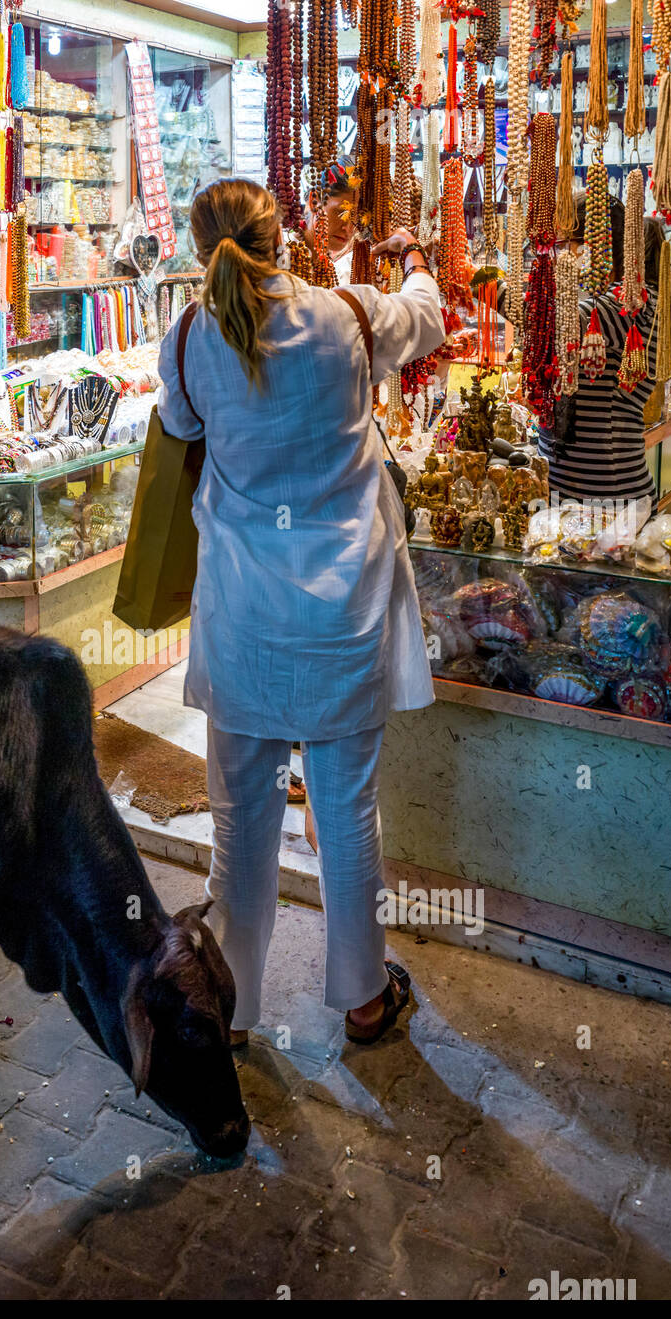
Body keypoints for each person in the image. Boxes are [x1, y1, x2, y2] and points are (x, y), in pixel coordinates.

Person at [157, 178, 445, 1046]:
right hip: (340, 610)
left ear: (199, 248)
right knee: (346, 806)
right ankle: (363, 998)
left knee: (241, 818)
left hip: (243, 614)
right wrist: (419, 261)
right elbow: (426, 316)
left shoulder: (186, 340)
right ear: (284, 239)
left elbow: (178, 426)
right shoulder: (349, 316)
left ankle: (234, 1008)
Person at [530, 191, 671, 505]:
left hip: (609, 498)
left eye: (567, 245)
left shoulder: (632, 301)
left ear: (596, 247)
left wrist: (481, 281)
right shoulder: (605, 298)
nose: (562, 255)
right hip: (567, 492)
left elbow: (556, 321)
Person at [302, 161, 358, 285]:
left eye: (355, 217)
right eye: (340, 213)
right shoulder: (283, 254)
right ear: (314, 202)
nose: (348, 229)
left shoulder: (329, 270)